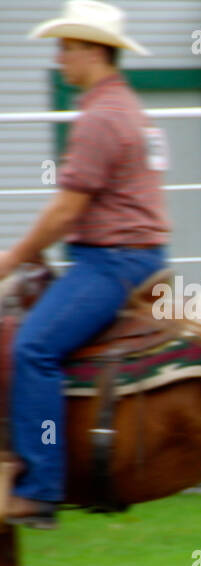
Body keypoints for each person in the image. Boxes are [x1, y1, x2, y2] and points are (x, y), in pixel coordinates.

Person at [0, 1, 169, 529]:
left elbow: (66, 210)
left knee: (33, 348)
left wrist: (11, 259)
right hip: (129, 255)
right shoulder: (125, 108)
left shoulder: (100, 118)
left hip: (110, 262)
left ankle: (40, 487)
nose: (58, 59)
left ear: (93, 50)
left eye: (66, 48)